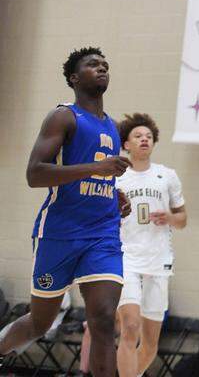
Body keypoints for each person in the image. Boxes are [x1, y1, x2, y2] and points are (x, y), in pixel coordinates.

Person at [0, 47, 132, 377]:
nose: (102, 68)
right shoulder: (63, 116)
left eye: (105, 65)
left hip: (102, 234)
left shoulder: (113, 127)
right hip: (59, 233)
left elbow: (95, 176)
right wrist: (96, 169)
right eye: (93, 65)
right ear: (74, 78)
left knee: (102, 318)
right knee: (40, 323)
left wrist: (114, 195)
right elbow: (36, 174)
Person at [114, 112, 187, 377]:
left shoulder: (167, 176)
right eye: (138, 136)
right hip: (127, 258)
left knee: (150, 345)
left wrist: (169, 217)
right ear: (126, 144)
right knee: (130, 327)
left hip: (158, 261)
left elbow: (183, 219)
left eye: (148, 136)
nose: (144, 140)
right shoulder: (116, 177)